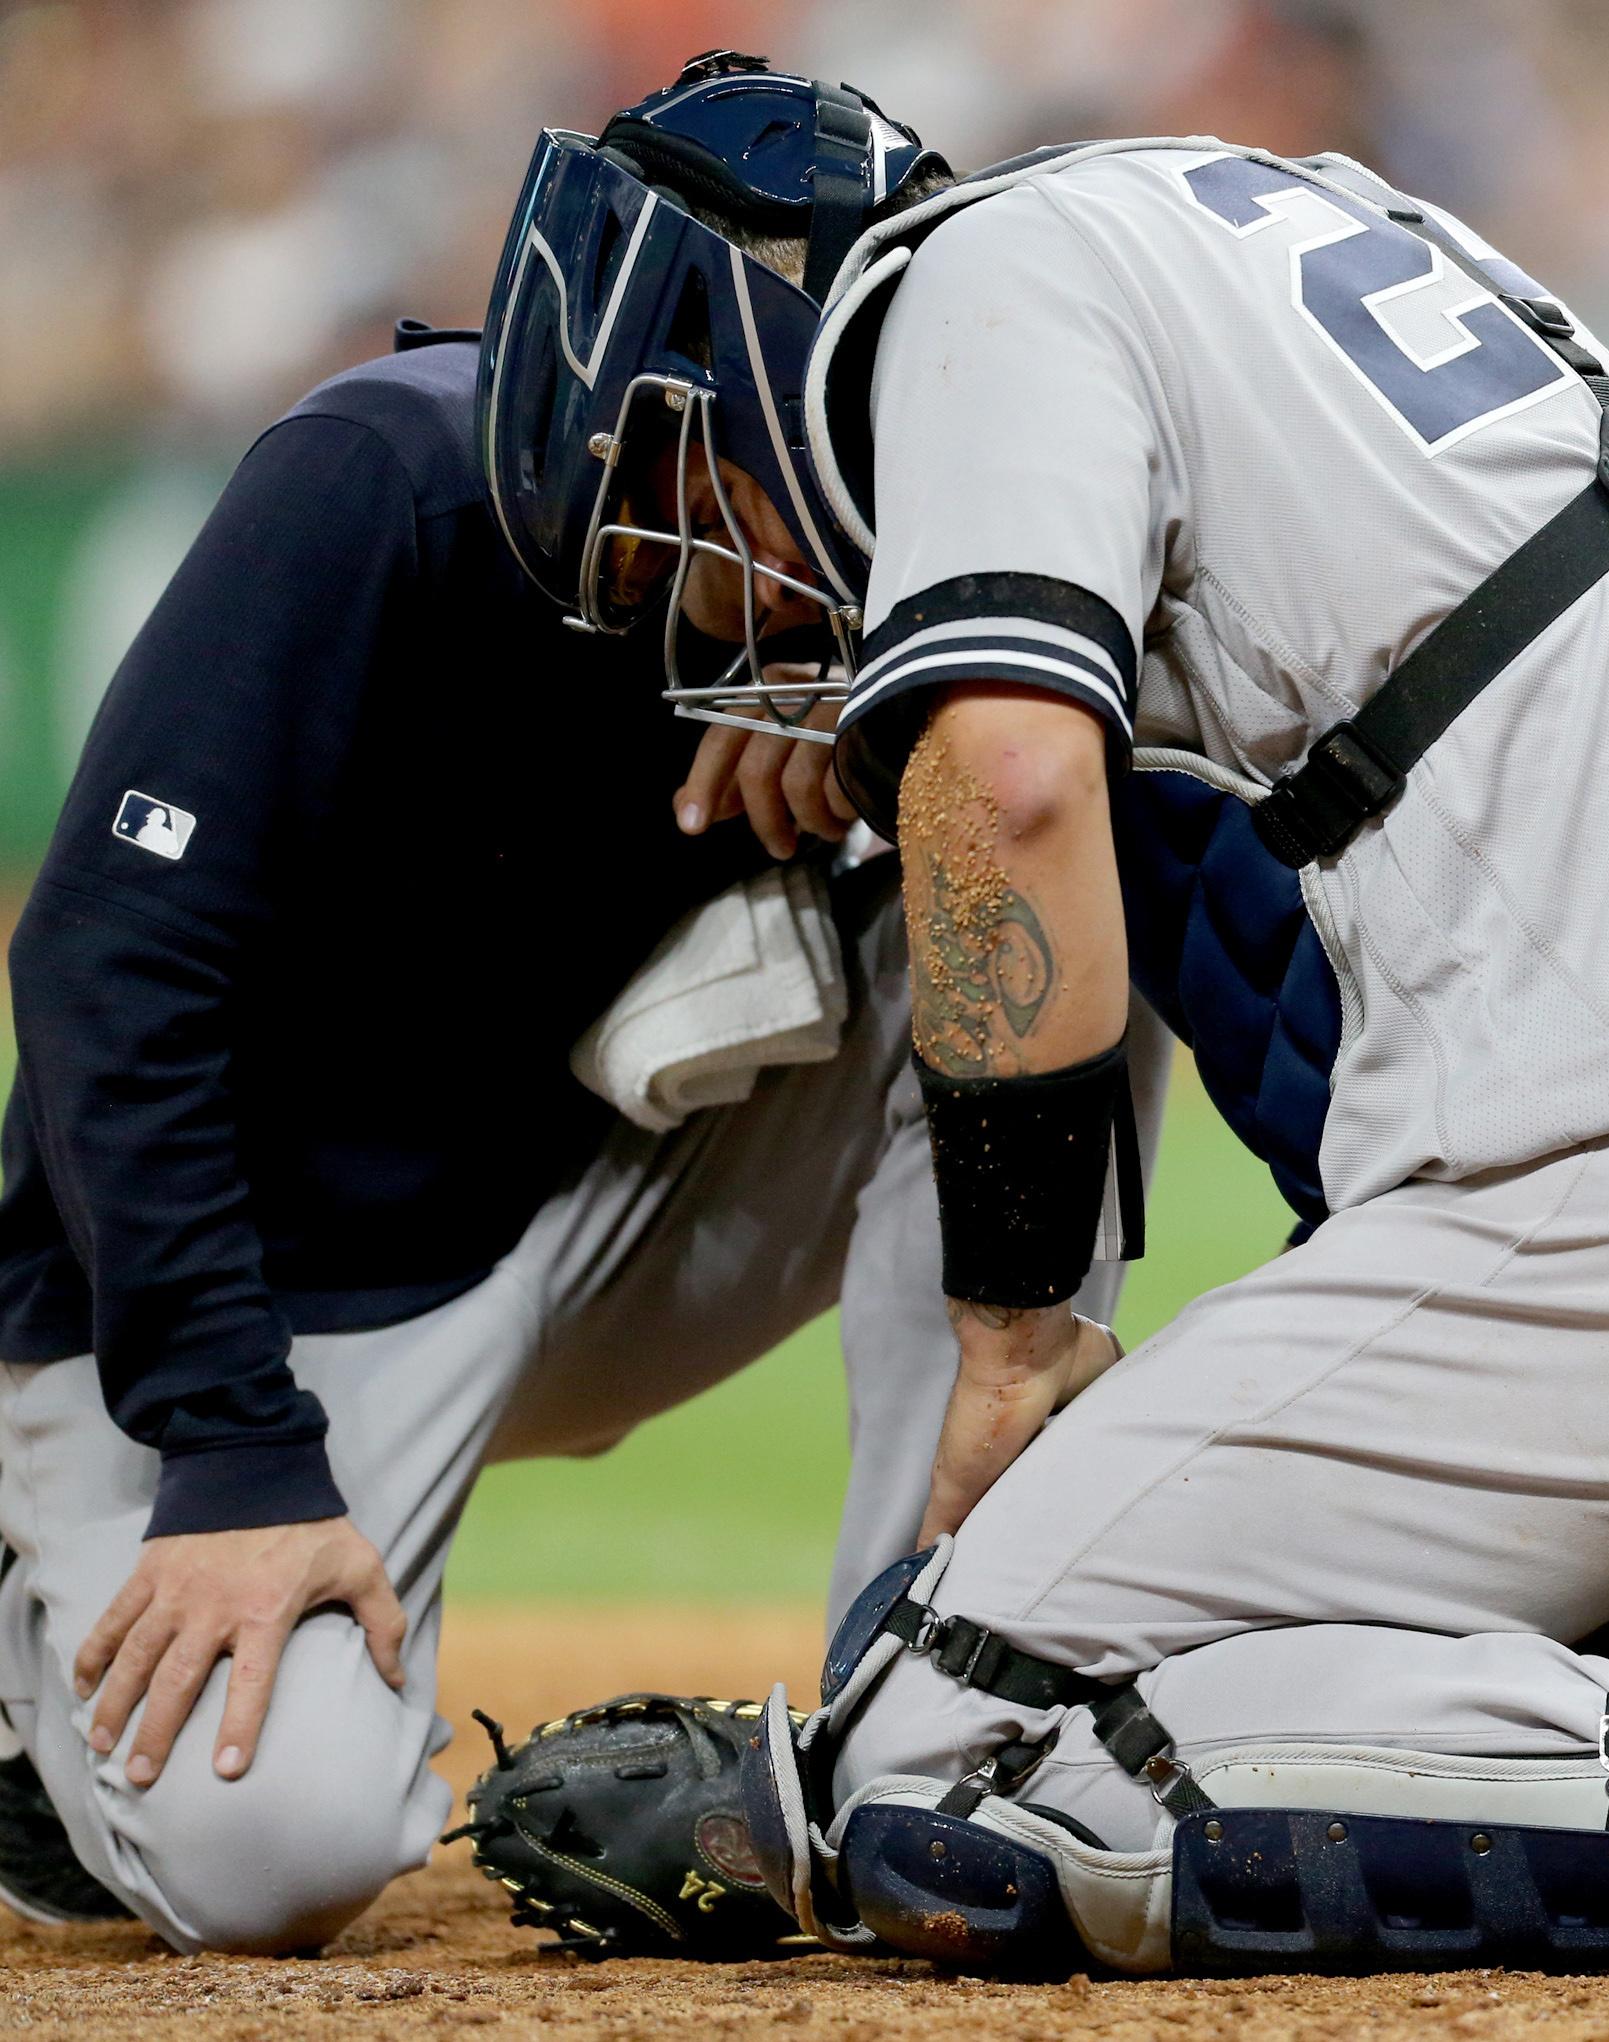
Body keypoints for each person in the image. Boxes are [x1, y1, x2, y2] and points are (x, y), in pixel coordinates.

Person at [481, 117, 1609, 1974]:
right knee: (1258, 1678)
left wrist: (1013, 1336)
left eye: (675, 491)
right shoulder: (1257, 215)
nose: (702, 584)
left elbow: (1015, 782)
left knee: (944, 1750)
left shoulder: (959, 281)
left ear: (754, 337)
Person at [0, 59, 1005, 1951]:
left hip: (570, 1216)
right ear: (639, 396)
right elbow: (105, 966)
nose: (824, 529)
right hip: (258, 1313)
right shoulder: (374, 480)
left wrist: (899, 778)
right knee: (271, 1861)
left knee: (1025, 940)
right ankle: (24, 1632)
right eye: (784, 458)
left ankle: (927, 1695)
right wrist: (225, 1449)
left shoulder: (827, 610)